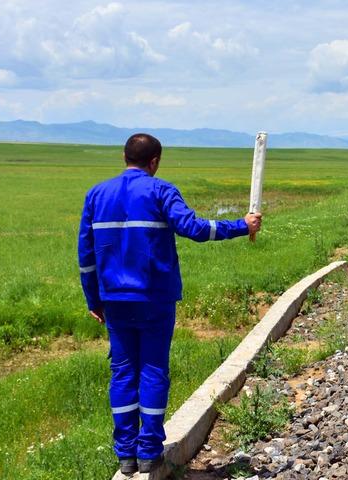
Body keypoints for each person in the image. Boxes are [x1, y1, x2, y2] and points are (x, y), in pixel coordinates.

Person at [77, 133, 261, 475]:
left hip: (114, 301)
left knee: (122, 372)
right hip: (155, 299)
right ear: (155, 161)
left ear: (124, 157)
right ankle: (149, 451)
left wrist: (94, 298)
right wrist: (242, 225)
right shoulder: (161, 190)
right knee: (152, 371)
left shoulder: (96, 195)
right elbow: (194, 228)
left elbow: (86, 256)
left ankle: (126, 455)